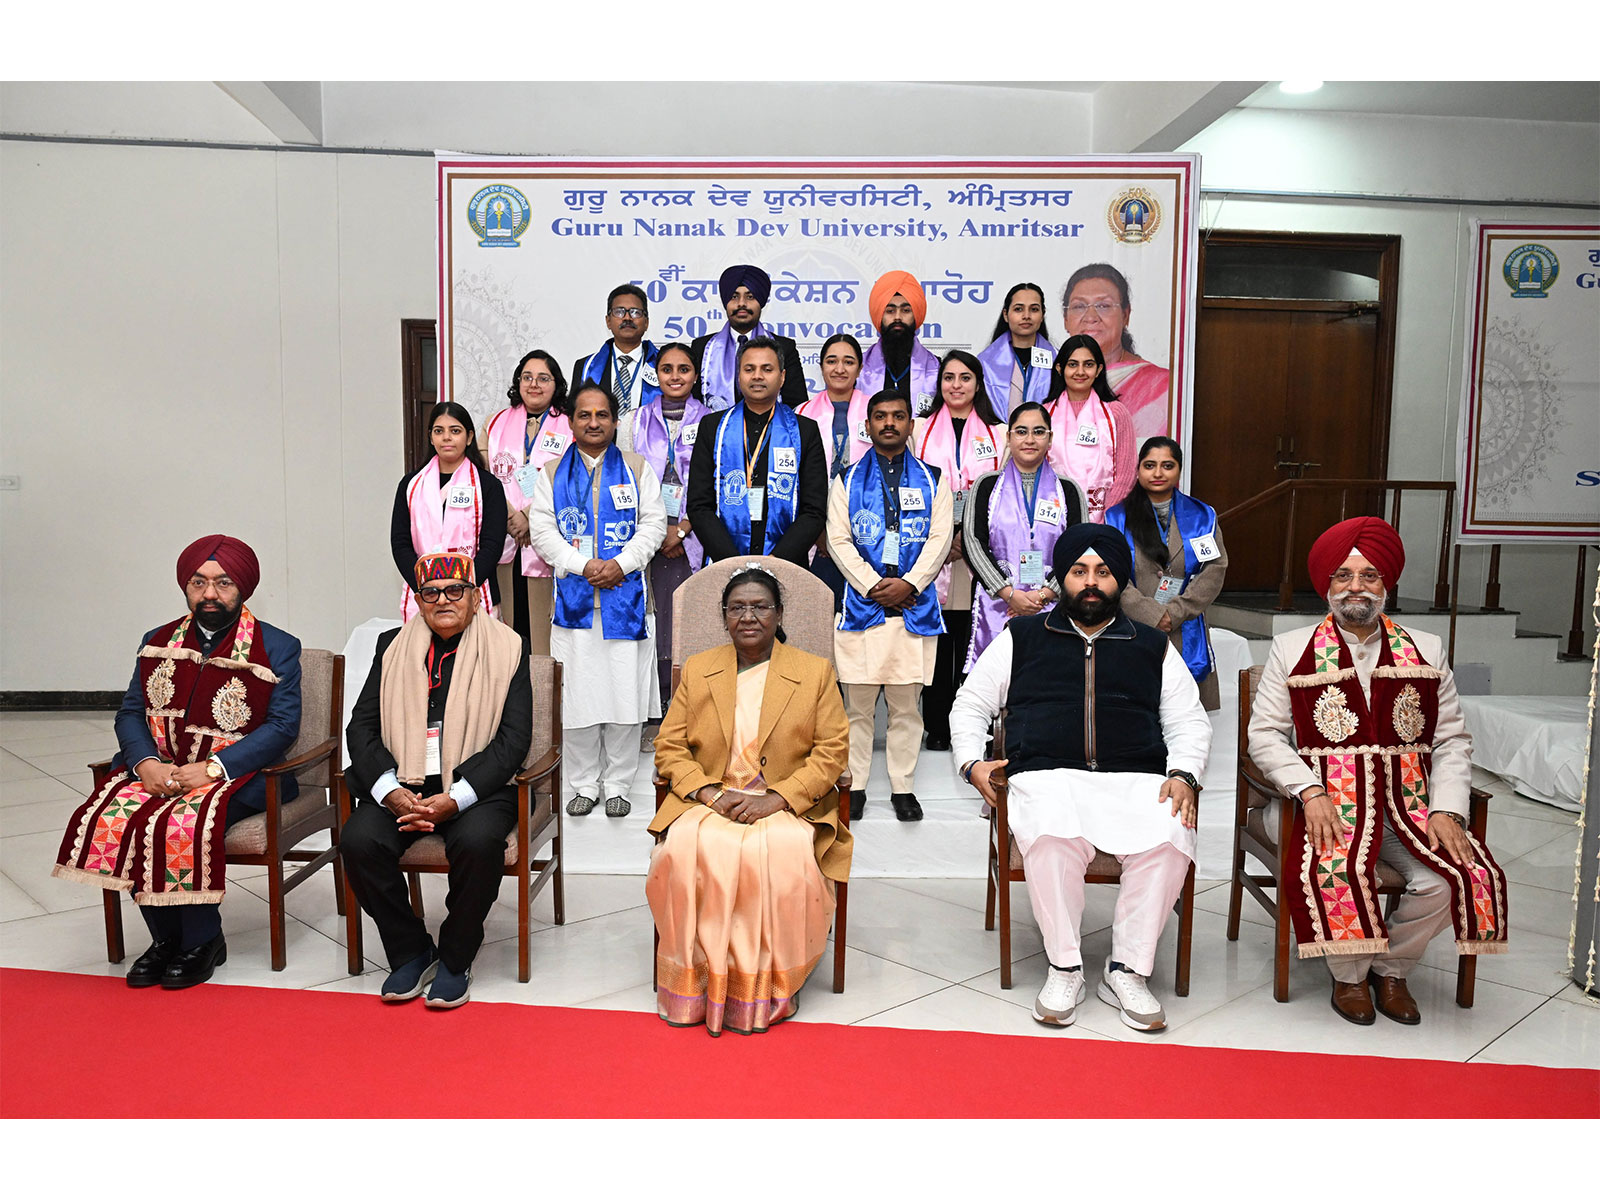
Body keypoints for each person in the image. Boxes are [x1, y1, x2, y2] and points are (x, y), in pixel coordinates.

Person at [1246, 517, 1508, 1026]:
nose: (1356, 587)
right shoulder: (1293, 648)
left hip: (1403, 807)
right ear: (1327, 585)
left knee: (1453, 877)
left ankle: (1391, 969)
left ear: (1386, 584)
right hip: (1321, 806)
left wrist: (1448, 809)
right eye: (1343, 575)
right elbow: (1265, 736)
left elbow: (1452, 739)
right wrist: (1309, 789)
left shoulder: (1426, 650)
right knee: (1336, 868)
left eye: (1369, 576)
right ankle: (1348, 977)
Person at [952, 525, 1210, 1031]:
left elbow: (1188, 721)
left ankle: (1128, 971)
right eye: (1079, 572)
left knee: (1170, 836)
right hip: (1047, 777)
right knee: (1050, 837)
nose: (1091, 582)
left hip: (1135, 779)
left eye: (1103, 572)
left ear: (1119, 581)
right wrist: (972, 762)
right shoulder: (1022, 637)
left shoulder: (1151, 645)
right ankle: (1065, 966)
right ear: (1063, 577)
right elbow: (971, 703)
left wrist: (1183, 774)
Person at [53, 535, 302, 989]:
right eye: (199, 583)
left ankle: (202, 941)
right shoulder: (157, 641)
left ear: (242, 587)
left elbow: (282, 727)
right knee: (120, 816)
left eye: (223, 583)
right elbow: (131, 712)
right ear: (185, 587)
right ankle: (165, 937)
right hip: (161, 768)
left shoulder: (279, 647)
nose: (210, 594)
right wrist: (146, 762)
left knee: (179, 823)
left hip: (240, 776)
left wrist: (211, 769)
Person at [648, 566, 851, 1036]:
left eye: (760, 606)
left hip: (783, 804)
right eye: (737, 607)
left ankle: (767, 984)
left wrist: (778, 797)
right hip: (711, 800)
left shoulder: (813, 672)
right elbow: (669, 746)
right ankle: (695, 984)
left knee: (779, 854)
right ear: (723, 617)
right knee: (683, 850)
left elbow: (833, 750)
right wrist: (708, 793)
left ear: (779, 614)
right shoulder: (700, 669)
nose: (748, 616)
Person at [341, 551, 531, 1010]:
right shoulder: (392, 646)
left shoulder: (508, 647)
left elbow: (514, 739)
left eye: (455, 591)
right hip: (403, 784)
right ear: (419, 600)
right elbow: (361, 726)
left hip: (476, 791)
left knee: (479, 843)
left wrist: (457, 797)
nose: (443, 600)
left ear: (474, 597)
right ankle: (411, 950)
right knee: (360, 841)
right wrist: (389, 792)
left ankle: (455, 957)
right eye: (431, 593)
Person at [528, 382, 667, 818]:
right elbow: (543, 531)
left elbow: (653, 525)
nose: (593, 423)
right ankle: (584, 782)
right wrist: (582, 564)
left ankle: (620, 784)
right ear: (571, 421)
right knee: (580, 699)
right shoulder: (551, 473)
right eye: (584, 415)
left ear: (614, 421)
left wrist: (621, 564)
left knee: (625, 698)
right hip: (574, 605)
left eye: (602, 415)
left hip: (627, 603)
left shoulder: (637, 467)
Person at [827, 390, 954, 821]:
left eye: (898, 416)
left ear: (910, 425)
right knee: (857, 710)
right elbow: (838, 540)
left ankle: (903, 787)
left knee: (906, 708)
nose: (889, 423)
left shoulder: (935, 479)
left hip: (914, 609)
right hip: (864, 608)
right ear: (868, 425)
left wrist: (910, 584)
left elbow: (940, 541)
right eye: (880, 416)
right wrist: (874, 585)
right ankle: (855, 784)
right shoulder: (844, 480)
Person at [913, 349, 1007, 752]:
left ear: (978, 384)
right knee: (939, 638)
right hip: (931, 547)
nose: (956, 385)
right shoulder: (919, 429)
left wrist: (965, 539)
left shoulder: (998, 432)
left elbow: (1000, 496)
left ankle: (970, 721)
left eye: (965, 377)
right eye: (948, 377)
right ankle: (936, 723)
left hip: (977, 548)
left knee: (972, 636)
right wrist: (942, 539)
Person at [1105, 437, 1228, 710]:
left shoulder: (1202, 516)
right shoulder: (1116, 517)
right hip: (1134, 627)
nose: (1158, 473)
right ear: (1138, 470)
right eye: (1150, 465)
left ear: (1179, 470)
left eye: (1167, 465)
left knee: (1185, 718)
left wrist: (1175, 612)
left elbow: (1215, 569)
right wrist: (1151, 614)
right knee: (1136, 713)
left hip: (1185, 626)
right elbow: (1110, 573)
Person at [685, 335, 828, 568]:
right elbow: (699, 505)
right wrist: (731, 560)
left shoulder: (805, 430)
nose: (758, 376)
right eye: (749, 369)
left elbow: (813, 510)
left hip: (787, 564)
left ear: (782, 377)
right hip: (724, 563)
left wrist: (777, 560)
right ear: (739, 376)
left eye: (767, 369)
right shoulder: (712, 427)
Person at [964, 401, 1086, 671]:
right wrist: (1010, 595)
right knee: (994, 686)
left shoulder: (1068, 490)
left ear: (1050, 438)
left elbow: (1079, 549)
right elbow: (974, 544)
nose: (1030, 439)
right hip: (996, 604)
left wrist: (1044, 595)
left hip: (1054, 605)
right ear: (1008, 437)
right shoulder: (986, 485)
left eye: (1039, 432)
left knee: (1049, 683)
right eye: (1021, 432)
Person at [630, 342, 708, 702]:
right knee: (654, 619)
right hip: (647, 537)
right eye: (666, 369)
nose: (675, 376)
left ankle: (692, 703)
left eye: (683, 369)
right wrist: (657, 531)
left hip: (694, 535)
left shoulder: (712, 420)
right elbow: (626, 482)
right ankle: (655, 705)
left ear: (695, 375)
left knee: (688, 620)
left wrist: (683, 529)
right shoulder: (634, 421)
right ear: (655, 374)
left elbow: (715, 483)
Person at [484, 350, 574, 654]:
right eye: (527, 377)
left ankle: (546, 697)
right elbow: (485, 478)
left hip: (548, 538)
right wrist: (511, 517)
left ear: (556, 384)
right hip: (506, 536)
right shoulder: (495, 423)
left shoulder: (572, 424)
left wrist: (529, 517)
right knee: (509, 630)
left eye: (543, 378)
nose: (534, 384)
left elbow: (572, 480)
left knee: (544, 633)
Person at [391, 401, 504, 621]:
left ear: (469, 437)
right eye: (438, 431)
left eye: (455, 431)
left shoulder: (488, 485)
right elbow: (400, 543)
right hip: (424, 594)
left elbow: (492, 545)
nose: (446, 437)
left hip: (474, 592)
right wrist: (427, 588)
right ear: (430, 438)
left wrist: (460, 589)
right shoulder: (410, 485)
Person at [796, 333, 873, 608]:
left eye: (848, 362)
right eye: (832, 361)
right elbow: (793, 481)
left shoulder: (877, 412)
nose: (839, 369)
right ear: (821, 366)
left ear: (860, 368)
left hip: (866, 533)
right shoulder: (802, 413)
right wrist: (817, 531)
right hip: (815, 537)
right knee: (819, 615)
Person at [1062, 263, 1172, 442]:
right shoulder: (1049, 380)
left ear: (1125, 315)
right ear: (1066, 319)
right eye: (1079, 306)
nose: (1091, 317)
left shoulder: (1163, 386)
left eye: (1103, 305)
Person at [1044, 334, 1137, 523]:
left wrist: (1107, 518)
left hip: (1105, 520)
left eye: (1088, 364)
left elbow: (1126, 475)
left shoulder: (1116, 412)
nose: (1080, 371)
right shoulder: (1045, 414)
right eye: (1072, 364)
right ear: (1060, 369)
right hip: (1054, 520)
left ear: (1099, 369)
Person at [690, 264, 809, 410]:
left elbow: (797, 407)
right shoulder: (702, 348)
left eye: (750, 297)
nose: (741, 303)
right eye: (734, 297)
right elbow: (693, 407)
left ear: (761, 302)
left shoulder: (785, 347)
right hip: (716, 431)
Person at [572, 283, 658, 450]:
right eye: (619, 311)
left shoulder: (662, 366)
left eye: (635, 312)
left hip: (649, 456)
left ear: (646, 322)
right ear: (608, 321)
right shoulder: (585, 367)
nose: (627, 318)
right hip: (599, 456)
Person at [859, 270, 939, 417]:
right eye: (890, 310)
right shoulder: (859, 370)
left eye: (906, 310)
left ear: (916, 315)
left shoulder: (936, 369)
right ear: (879, 315)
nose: (897, 317)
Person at [977, 281, 1056, 416]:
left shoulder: (1058, 360)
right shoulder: (984, 362)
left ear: (1043, 314)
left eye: (1034, 309)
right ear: (1006, 315)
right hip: (998, 434)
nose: (1026, 316)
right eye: (1018, 309)